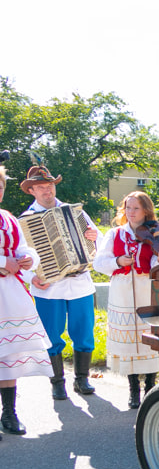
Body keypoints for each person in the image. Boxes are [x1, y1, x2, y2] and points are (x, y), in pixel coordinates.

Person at [20, 164, 101, 399]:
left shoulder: (75, 211)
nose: (48, 191)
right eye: (42, 187)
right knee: (51, 335)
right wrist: (31, 278)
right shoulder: (24, 220)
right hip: (48, 288)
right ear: (32, 190)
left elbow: (99, 239)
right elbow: (19, 256)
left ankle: (82, 379)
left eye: (50, 186)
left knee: (84, 332)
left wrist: (94, 237)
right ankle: (57, 382)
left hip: (80, 283)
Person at [93, 191, 159, 409]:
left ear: (146, 210)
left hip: (147, 288)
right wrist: (118, 261)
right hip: (123, 291)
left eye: (136, 208)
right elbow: (99, 263)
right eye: (128, 208)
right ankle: (133, 389)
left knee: (149, 339)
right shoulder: (115, 234)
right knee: (129, 342)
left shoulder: (155, 233)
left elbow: (158, 261)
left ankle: (150, 386)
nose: (131, 212)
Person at [0, 165, 53, 437]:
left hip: (9, 292)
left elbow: (23, 247)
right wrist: (2, 261)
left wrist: (29, 258)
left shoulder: (7, 218)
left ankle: (9, 413)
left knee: (9, 355)